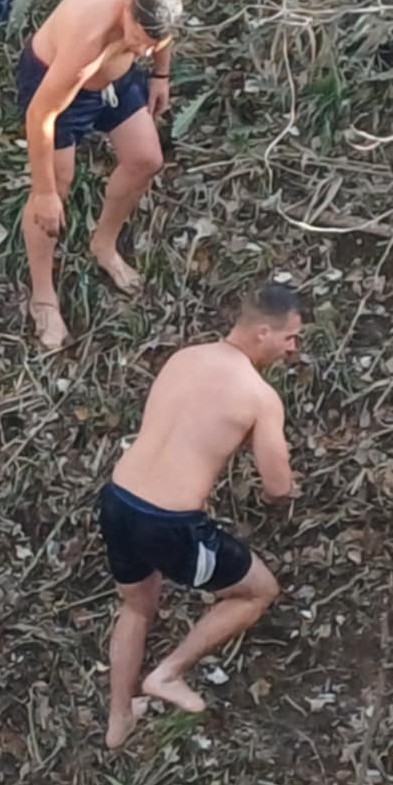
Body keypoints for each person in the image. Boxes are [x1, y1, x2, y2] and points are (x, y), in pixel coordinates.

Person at [97, 282, 302, 749]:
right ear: (262, 332)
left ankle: (119, 719)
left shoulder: (184, 357)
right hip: (168, 524)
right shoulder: (259, 395)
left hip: (118, 499)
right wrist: (285, 496)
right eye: (289, 337)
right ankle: (167, 674)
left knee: (136, 605)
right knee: (257, 591)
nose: (293, 348)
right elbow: (276, 485)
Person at [16, 0, 188, 350]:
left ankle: (103, 245)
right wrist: (44, 192)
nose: (145, 49)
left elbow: (160, 35)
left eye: (151, 45)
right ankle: (43, 296)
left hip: (116, 75)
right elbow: (40, 114)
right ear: (127, 9)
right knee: (57, 184)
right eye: (139, 37)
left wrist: (159, 73)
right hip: (57, 84)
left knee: (146, 159)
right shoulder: (89, 37)